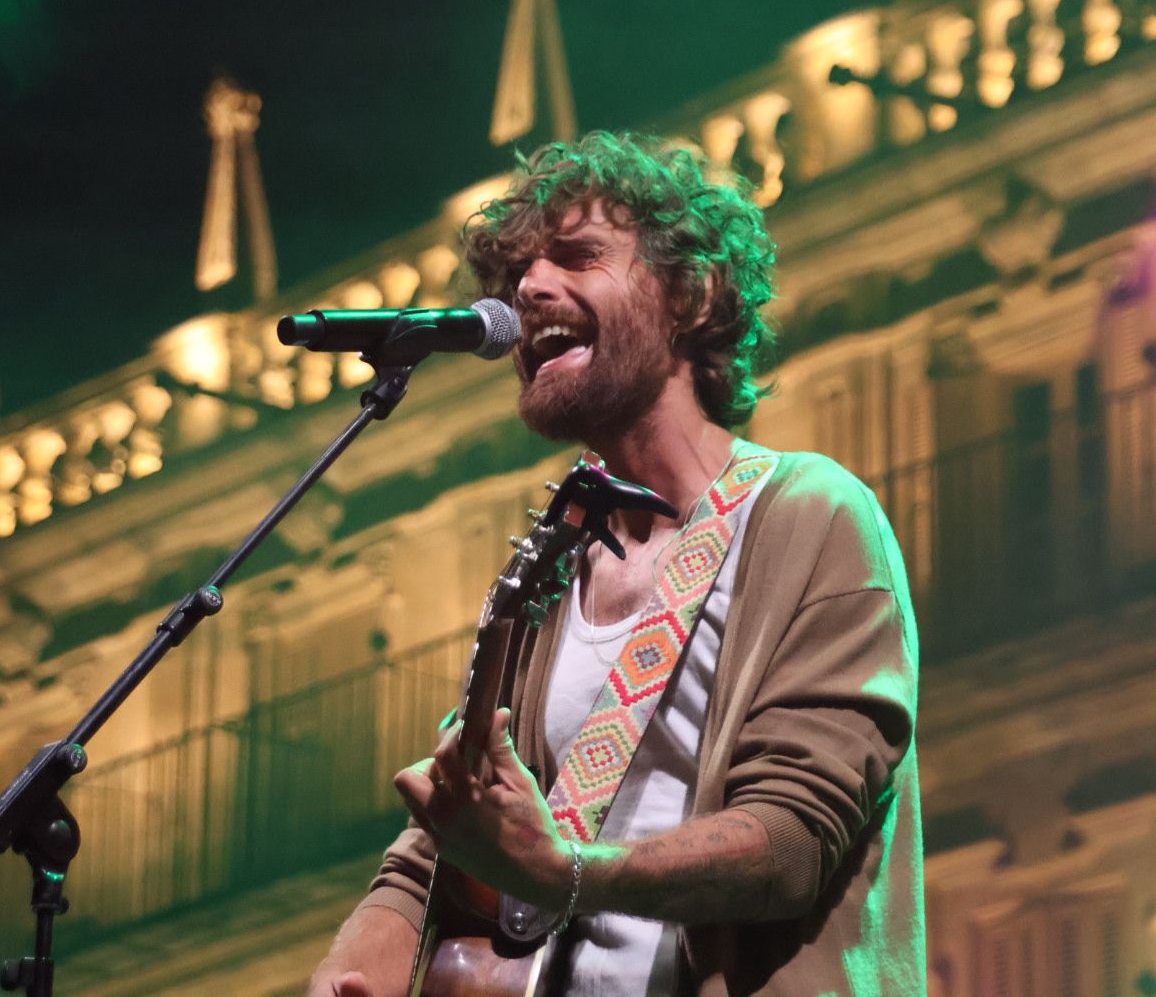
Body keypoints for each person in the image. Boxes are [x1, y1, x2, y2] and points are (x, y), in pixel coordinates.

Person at [308, 131, 923, 996]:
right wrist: (351, 966)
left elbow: (789, 844)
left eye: (578, 257)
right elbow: (438, 846)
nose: (527, 290)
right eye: (517, 276)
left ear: (691, 292)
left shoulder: (810, 517)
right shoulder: (553, 567)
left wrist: (562, 871)